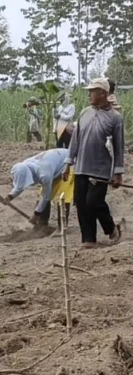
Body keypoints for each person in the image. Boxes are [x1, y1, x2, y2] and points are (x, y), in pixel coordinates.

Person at [64, 77, 124, 249]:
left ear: (103, 93)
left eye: (92, 91)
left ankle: (110, 227)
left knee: (94, 201)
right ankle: (88, 239)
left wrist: (118, 173)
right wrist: (68, 163)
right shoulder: (85, 113)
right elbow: (75, 140)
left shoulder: (115, 118)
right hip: (81, 166)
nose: (89, 94)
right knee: (81, 204)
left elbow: (119, 146)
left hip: (101, 169)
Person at [5, 148, 73, 236]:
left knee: (63, 197)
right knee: (41, 195)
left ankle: (62, 228)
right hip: (54, 168)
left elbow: (46, 196)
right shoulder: (24, 166)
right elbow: (19, 186)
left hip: (68, 165)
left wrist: (35, 215)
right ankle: (42, 225)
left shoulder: (44, 174)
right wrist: (9, 197)